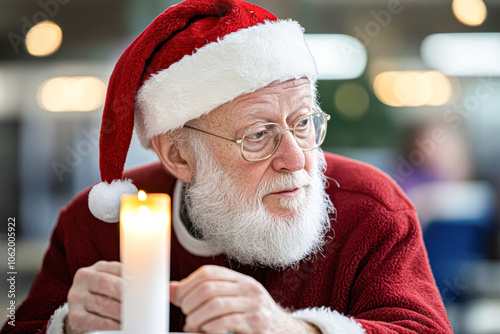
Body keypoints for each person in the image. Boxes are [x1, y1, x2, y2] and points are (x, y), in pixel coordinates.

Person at [1, 0, 452, 333]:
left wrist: (294, 330)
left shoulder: (372, 208)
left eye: (302, 123)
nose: (296, 159)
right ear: (178, 156)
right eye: (257, 136)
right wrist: (62, 326)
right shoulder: (94, 226)